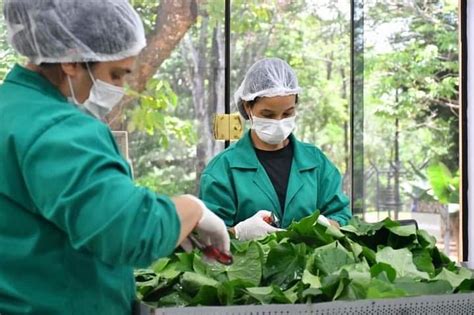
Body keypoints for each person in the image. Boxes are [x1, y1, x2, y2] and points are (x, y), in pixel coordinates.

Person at [0, 1, 229, 314]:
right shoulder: (60, 130)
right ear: (70, 60)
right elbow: (132, 233)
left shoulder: (10, 108)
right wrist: (192, 209)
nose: (120, 88)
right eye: (116, 74)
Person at [199, 57, 351, 241]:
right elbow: (206, 238)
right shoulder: (222, 170)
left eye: (287, 113)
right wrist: (238, 233)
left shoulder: (316, 163)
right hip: (248, 269)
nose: (279, 122)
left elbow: (341, 215)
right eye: (268, 114)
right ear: (248, 107)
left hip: (311, 269)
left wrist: (328, 226)